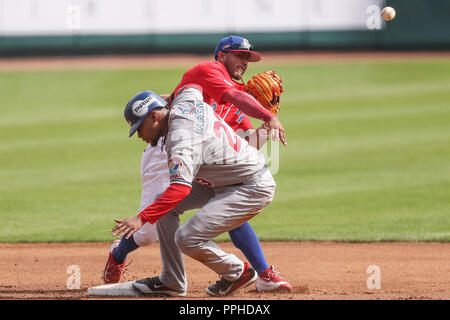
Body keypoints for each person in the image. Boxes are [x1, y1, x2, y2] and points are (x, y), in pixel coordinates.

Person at [103, 35, 291, 293]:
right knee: (151, 226)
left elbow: (245, 145)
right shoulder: (206, 75)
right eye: (239, 55)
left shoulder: (232, 105)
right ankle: (147, 267)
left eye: (247, 57)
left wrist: (267, 120)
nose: (244, 62)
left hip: (218, 170)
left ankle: (245, 272)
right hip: (177, 157)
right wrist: (266, 115)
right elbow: (184, 94)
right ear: (221, 56)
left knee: (185, 231)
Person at [112, 86, 277, 297]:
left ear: (154, 116)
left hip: (251, 187)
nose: (139, 135)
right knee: (160, 201)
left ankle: (238, 272)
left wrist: (141, 218)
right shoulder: (185, 101)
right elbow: (194, 86)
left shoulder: (179, 141)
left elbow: (179, 190)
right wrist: (169, 98)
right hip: (223, 180)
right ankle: (172, 281)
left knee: (186, 237)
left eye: (139, 128)